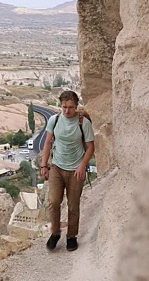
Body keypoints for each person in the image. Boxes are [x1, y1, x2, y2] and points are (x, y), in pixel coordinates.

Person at [40, 90, 95, 251]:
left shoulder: (83, 122)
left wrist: (82, 165)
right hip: (57, 167)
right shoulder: (54, 120)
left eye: (70, 107)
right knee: (54, 202)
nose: (67, 111)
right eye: (64, 107)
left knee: (73, 205)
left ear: (76, 106)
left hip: (75, 170)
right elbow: (48, 143)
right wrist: (44, 165)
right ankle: (55, 233)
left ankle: (71, 236)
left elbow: (91, 147)